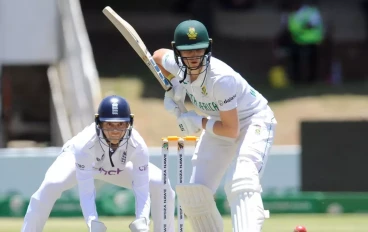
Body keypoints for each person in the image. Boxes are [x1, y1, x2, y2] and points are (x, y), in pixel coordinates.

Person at [153, 20, 277, 232]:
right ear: (177, 51)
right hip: (220, 122)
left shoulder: (221, 78)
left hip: (253, 121)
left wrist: (198, 122)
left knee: (241, 182)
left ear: (208, 47)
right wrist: (173, 84)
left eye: (198, 49)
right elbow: (157, 56)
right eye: (187, 51)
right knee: (195, 194)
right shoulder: (178, 65)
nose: (193, 56)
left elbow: (231, 130)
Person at [21, 95, 175, 232]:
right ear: (99, 123)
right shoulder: (85, 144)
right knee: (51, 185)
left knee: (161, 183)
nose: (115, 131)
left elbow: (142, 188)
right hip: (78, 161)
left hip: (117, 166)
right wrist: (92, 221)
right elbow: (86, 191)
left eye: (120, 125)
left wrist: (142, 221)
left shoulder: (138, 145)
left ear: (129, 123)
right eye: (109, 125)